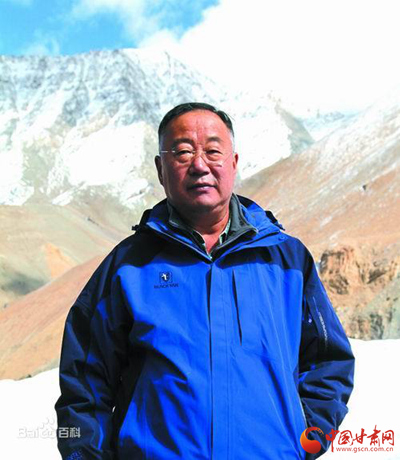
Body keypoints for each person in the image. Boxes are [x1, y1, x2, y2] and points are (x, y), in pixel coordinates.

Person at [55, 102, 355, 460]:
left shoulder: (286, 261)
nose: (199, 165)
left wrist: (307, 440)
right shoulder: (129, 266)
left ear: (233, 162)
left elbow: (330, 363)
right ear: (160, 169)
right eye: (182, 152)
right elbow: (83, 387)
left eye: (213, 151)